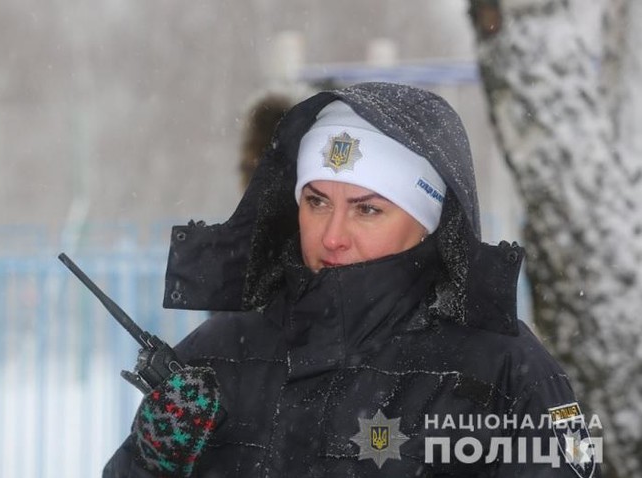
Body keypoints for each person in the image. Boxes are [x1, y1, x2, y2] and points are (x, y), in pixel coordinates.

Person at [104, 82, 600, 477]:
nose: (333, 236)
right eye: (317, 202)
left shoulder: (509, 374)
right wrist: (150, 464)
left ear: (427, 222)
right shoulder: (218, 354)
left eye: (367, 209)